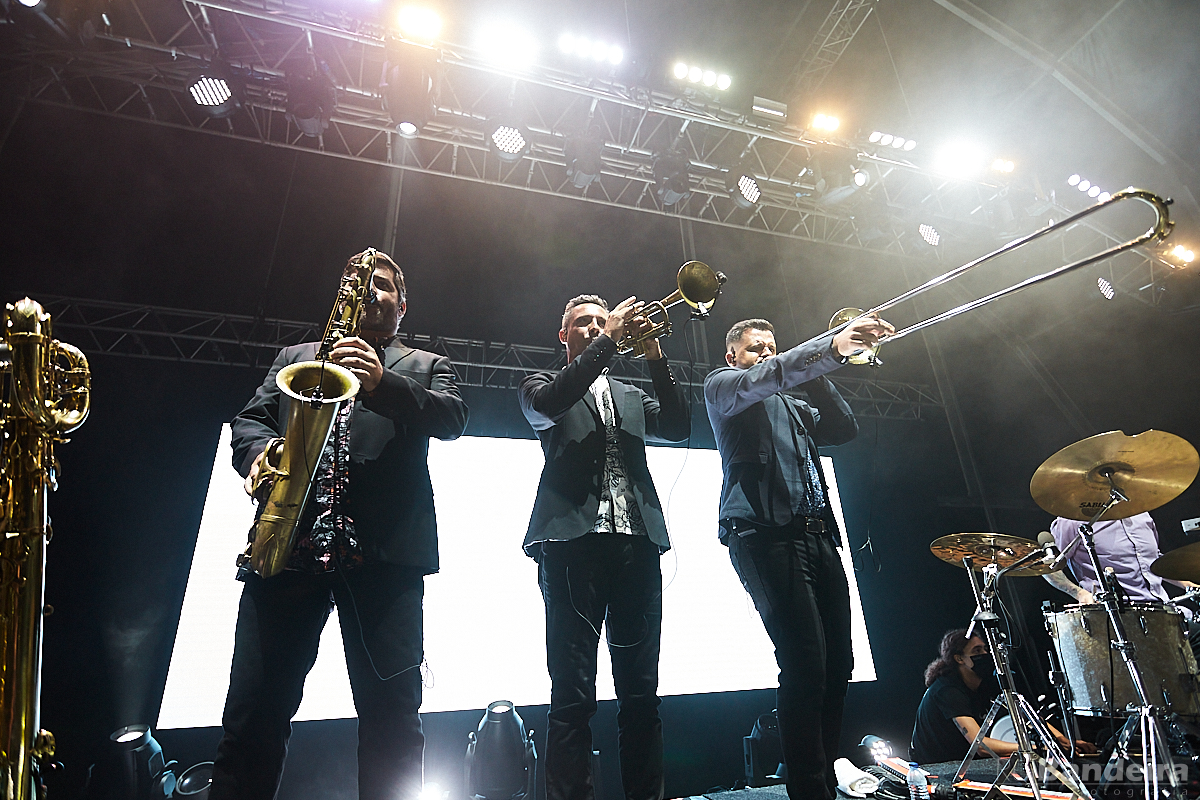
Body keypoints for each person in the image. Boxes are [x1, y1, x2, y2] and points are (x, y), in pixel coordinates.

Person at [210, 250, 469, 800]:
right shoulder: (295, 356)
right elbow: (250, 421)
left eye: (384, 285)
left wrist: (381, 382)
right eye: (361, 283)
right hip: (287, 550)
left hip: (384, 562)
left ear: (402, 305)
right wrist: (260, 456)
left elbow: (452, 419)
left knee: (392, 723)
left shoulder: (426, 364)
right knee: (252, 717)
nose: (371, 291)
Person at [703, 315, 893, 800]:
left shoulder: (793, 401)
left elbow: (844, 428)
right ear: (732, 356)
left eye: (772, 346)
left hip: (817, 535)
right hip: (765, 535)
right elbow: (767, 376)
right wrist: (828, 349)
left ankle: (823, 778)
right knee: (805, 663)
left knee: (839, 663)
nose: (766, 353)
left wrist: (820, 370)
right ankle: (809, 791)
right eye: (755, 348)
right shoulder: (724, 386)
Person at [519, 294, 690, 800]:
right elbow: (552, 404)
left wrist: (654, 355)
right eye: (584, 323)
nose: (596, 327)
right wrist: (610, 340)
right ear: (563, 336)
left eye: (601, 320)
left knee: (642, 696)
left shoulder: (631, 395)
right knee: (572, 697)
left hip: (637, 546)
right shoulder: (540, 386)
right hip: (572, 548)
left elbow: (678, 427)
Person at [910, 629, 1092, 765]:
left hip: (964, 761)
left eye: (985, 649)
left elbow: (1025, 714)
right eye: (977, 651)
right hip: (937, 766)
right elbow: (980, 746)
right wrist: (1038, 748)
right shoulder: (947, 690)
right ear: (959, 659)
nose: (985, 655)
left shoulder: (986, 682)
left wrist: (1060, 740)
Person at [1044, 512, 1195, 606]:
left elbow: (1152, 562)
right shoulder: (1072, 521)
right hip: (1113, 614)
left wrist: (1188, 585)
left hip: (1163, 607)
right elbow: (1048, 567)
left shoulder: (1142, 515)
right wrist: (1078, 593)